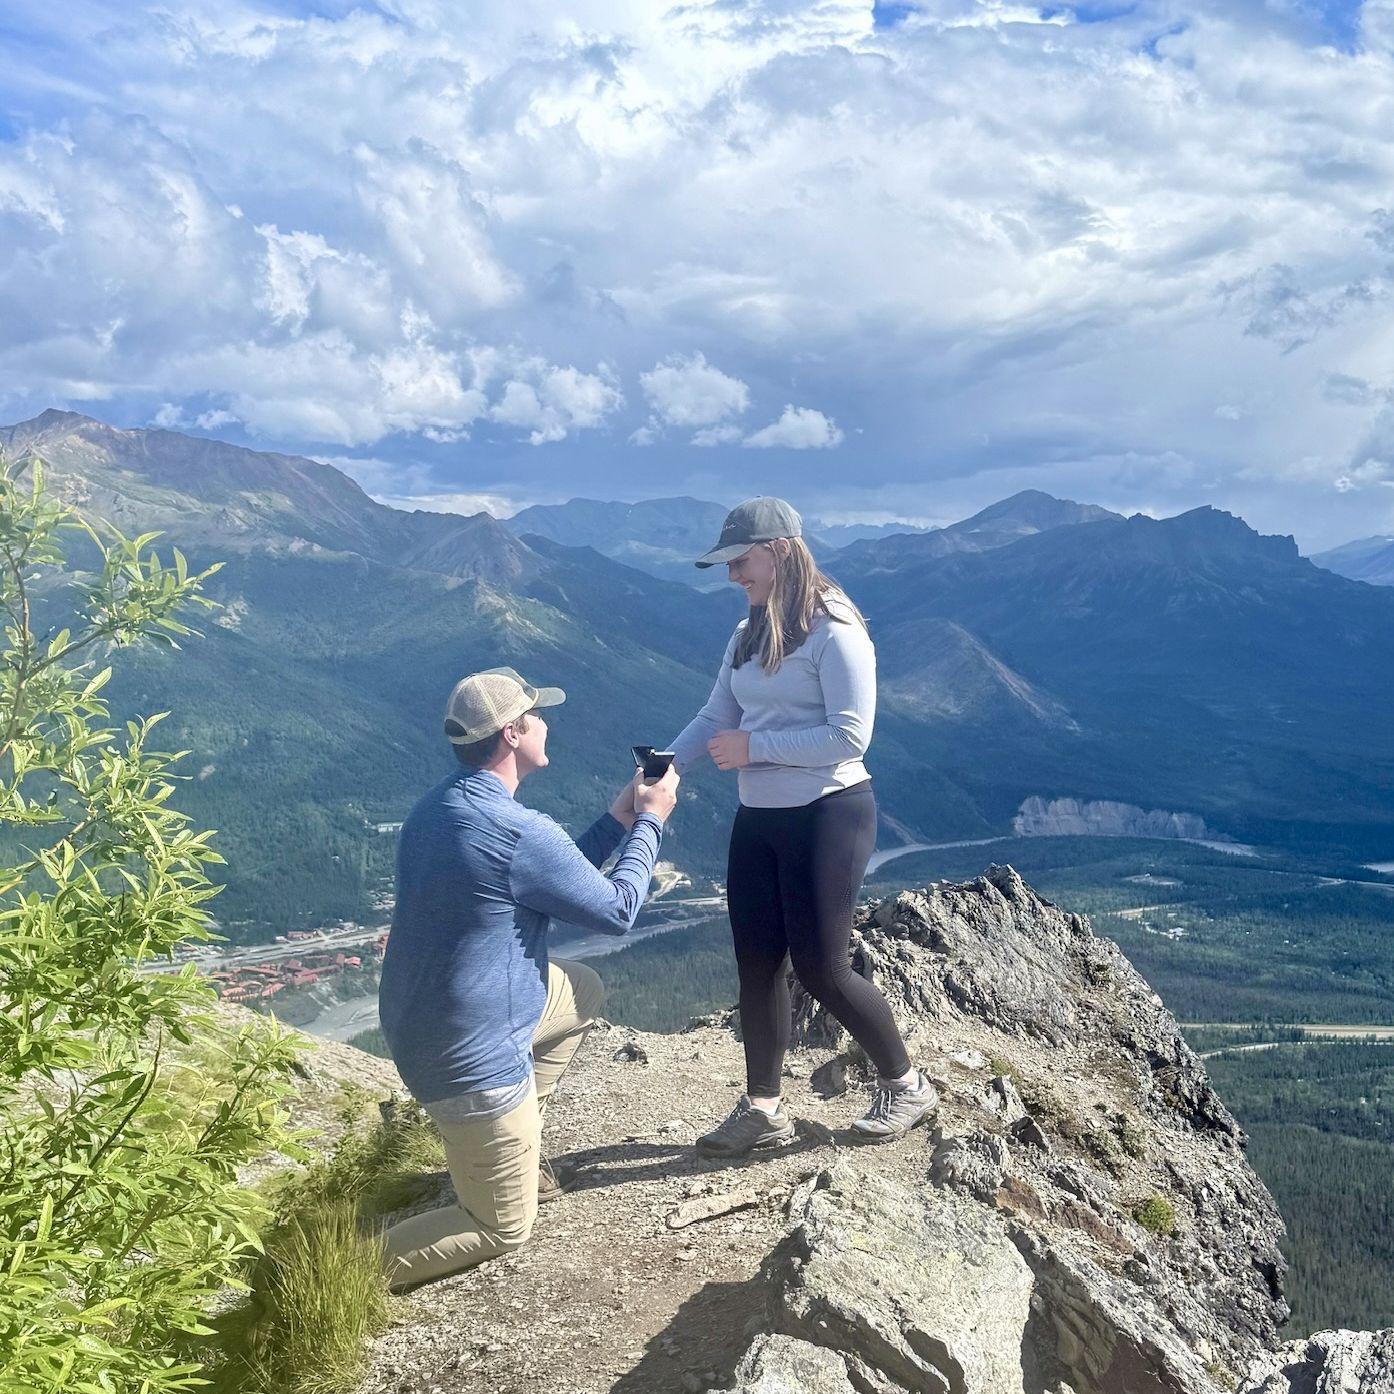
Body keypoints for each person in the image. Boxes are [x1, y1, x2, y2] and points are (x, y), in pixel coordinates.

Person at [377, 665, 679, 1287]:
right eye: (536, 714)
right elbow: (618, 910)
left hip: (422, 1023)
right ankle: (333, 1270)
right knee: (502, 1228)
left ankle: (516, 1141)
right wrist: (652, 820)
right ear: (514, 733)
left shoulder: (437, 809)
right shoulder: (517, 829)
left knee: (583, 990)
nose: (546, 722)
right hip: (470, 1056)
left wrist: (619, 820)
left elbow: (545, 870)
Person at [669, 497, 937, 1155]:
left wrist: (755, 749)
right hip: (758, 819)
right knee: (756, 965)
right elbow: (714, 716)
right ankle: (763, 1110)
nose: (733, 574)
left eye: (741, 560)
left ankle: (907, 1087)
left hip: (828, 814)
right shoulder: (749, 632)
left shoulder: (837, 629)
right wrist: (663, 771)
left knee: (822, 967)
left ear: (779, 551)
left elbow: (851, 736)